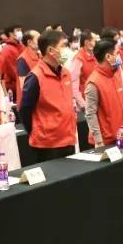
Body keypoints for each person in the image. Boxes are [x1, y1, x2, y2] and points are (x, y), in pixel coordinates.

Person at [18, 29, 77, 163]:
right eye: (63, 46)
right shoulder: (35, 76)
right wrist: (37, 131)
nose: (67, 50)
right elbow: (24, 109)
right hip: (47, 144)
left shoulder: (66, 73)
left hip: (68, 138)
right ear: (51, 50)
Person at [84, 39, 123, 146]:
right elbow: (90, 114)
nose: (119, 57)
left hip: (121, 136)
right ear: (108, 57)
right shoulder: (93, 82)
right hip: (105, 141)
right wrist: (99, 141)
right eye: (116, 54)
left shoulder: (115, 75)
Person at [68, 30, 98, 112]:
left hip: (94, 100)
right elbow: (73, 85)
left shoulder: (94, 57)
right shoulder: (78, 59)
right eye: (94, 40)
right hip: (85, 104)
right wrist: (83, 104)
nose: (95, 43)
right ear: (87, 42)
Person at [0, 25, 24, 101]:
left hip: (22, 84)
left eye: (20, 30)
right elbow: (13, 71)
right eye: (18, 30)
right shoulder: (7, 49)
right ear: (11, 34)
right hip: (14, 87)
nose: (20, 32)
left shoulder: (21, 46)